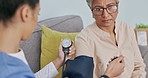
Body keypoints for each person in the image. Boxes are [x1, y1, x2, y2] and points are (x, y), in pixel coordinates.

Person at [0, 0, 75, 78]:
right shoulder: (12, 71)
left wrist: (59, 60)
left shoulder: (11, 61)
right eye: (37, 13)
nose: (36, 22)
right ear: (26, 13)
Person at [75, 0, 146, 78]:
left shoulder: (126, 28)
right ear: (92, 12)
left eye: (110, 7)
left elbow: (138, 67)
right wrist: (109, 74)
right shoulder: (83, 39)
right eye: (98, 9)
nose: (105, 15)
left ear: (117, 7)